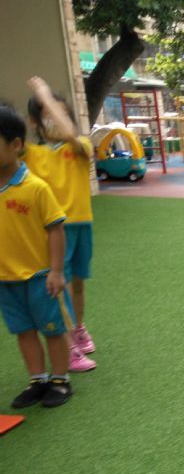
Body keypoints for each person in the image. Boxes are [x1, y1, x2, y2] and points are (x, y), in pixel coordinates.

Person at [0, 104, 72, 408]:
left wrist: (56, 271)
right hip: (5, 279)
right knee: (23, 331)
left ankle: (60, 380)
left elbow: (56, 229)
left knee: (53, 329)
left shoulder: (35, 188)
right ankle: (38, 379)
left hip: (40, 276)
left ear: (16, 145)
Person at [23, 77, 96, 373]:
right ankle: (67, 347)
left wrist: (48, 100)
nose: (56, 119)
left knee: (78, 283)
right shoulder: (31, 153)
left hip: (82, 224)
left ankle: (77, 329)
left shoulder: (80, 146)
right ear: (35, 122)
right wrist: (42, 94)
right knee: (59, 286)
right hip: (56, 230)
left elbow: (68, 133)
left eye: (62, 114)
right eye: (49, 114)